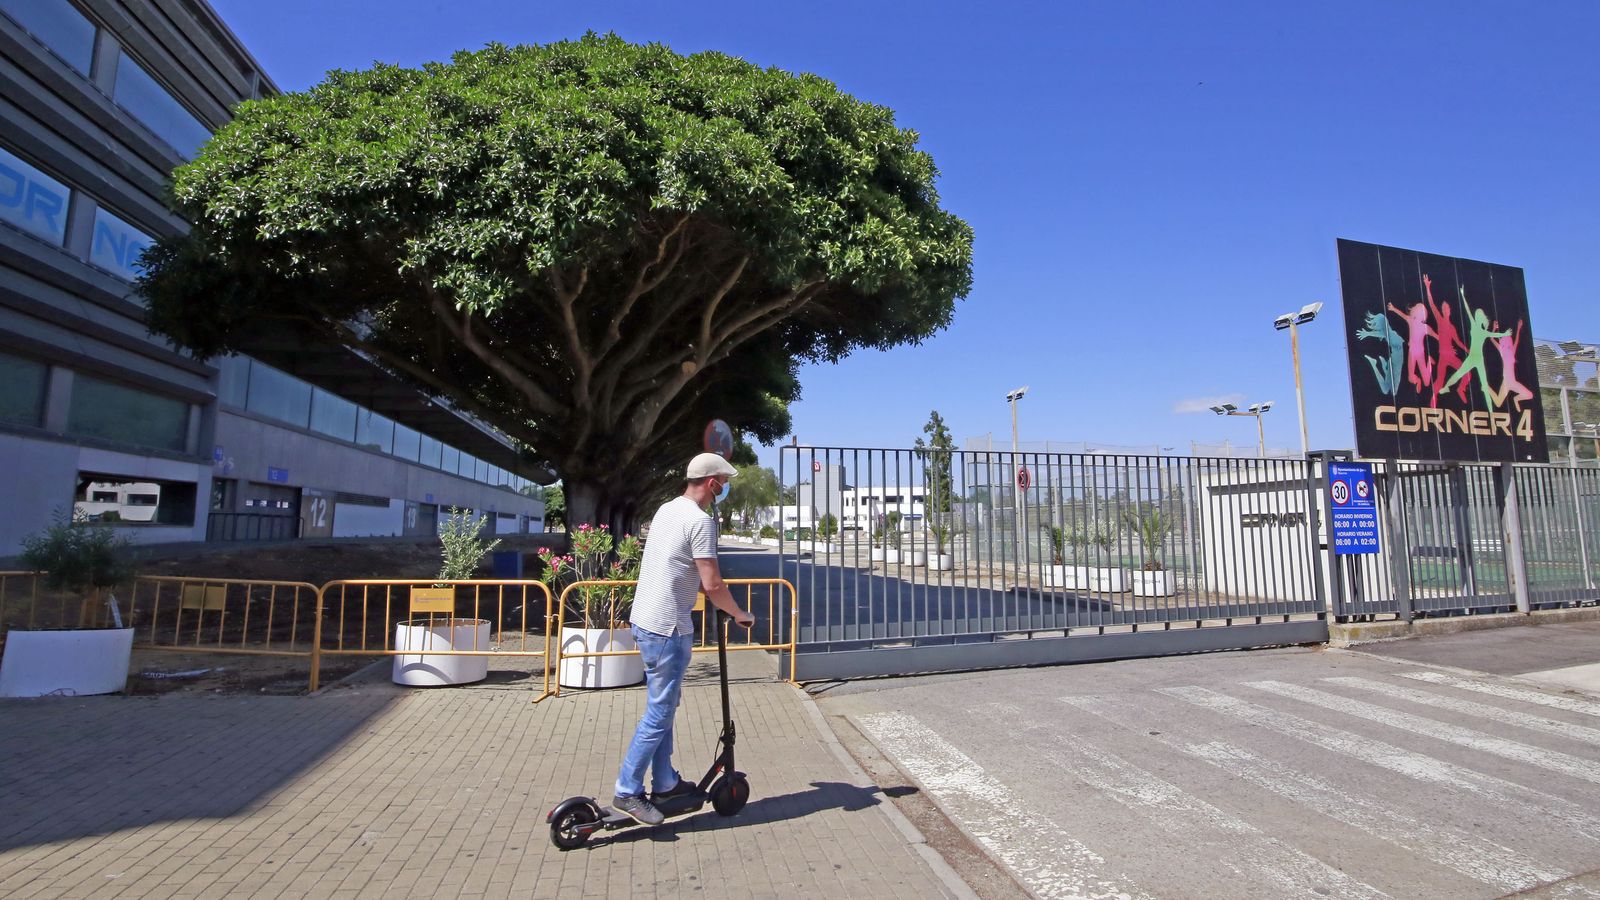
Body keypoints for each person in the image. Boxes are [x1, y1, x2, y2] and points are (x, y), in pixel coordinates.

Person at [612, 452, 755, 825]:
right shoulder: (700, 521)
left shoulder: (667, 509)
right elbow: (713, 584)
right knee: (659, 714)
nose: (724, 488)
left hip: (645, 621)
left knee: (665, 705)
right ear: (712, 484)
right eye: (723, 482)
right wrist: (739, 613)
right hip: (668, 629)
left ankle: (664, 782)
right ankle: (628, 790)